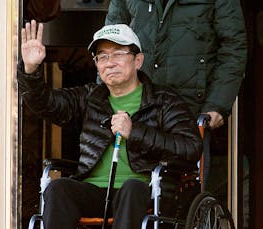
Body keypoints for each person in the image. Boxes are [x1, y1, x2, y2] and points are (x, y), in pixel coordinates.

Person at [17, 20, 203, 229]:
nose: (109, 62)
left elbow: (191, 148)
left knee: (131, 188)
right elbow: (45, 103)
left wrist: (135, 132)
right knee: (58, 188)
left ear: (138, 60)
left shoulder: (165, 101)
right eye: (102, 56)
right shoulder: (89, 98)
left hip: (144, 191)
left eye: (118, 54)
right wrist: (31, 70)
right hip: (94, 191)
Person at [105, 0, 248, 197]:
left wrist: (217, 104)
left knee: (180, 195)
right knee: (128, 190)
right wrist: (103, 101)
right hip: (137, 107)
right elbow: (109, 45)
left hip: (189, 111)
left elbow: (233, 47)